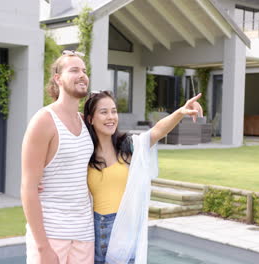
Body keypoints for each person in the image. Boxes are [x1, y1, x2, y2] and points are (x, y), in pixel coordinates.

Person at [84, 91, 203, 264]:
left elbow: (156, 131)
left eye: (114, 111)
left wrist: (180, 112)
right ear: (90, 119)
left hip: (125, 231)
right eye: (104, 112)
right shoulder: (84, 153)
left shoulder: (129, 146)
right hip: (94, 235)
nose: (111, 117)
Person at [21, 50, 95, 264]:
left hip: (84, 234)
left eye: (84, 70)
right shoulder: (43, 121)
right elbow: (28, 188)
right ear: (58, 79)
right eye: (74, 70)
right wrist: (43, 248)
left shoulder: (85, 122)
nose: (82, 75)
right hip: (52, 235)